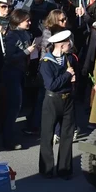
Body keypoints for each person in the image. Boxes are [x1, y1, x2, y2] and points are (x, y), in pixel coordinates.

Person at [39, 29, 77, 179]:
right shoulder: (46, 62)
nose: (71, 45)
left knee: (67, 135)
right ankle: (47, 169)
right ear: (61, 45)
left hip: (68, 99)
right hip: (52, 100)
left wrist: (72, 79)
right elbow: (51, 85)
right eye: (68, 43)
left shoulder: (69, 59)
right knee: (47, 135)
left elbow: (74, 75)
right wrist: (67, 75)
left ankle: (64, 169)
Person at [2, 9, 36, 150]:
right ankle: (8, 140)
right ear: (18, 20)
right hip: (12, 74)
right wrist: (27, 51)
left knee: (17, 106)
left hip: (21, 72)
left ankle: (8, 134)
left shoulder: (26, 33)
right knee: (13, 107)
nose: (29, 22)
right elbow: (9, 58)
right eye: (26, 20)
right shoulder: (12, 36)